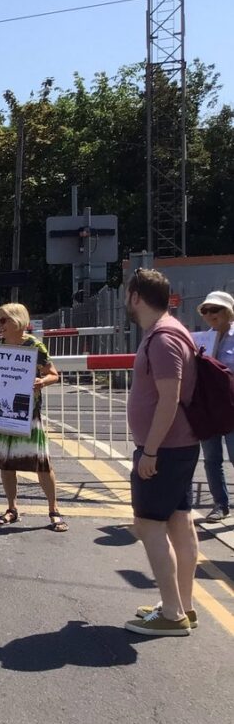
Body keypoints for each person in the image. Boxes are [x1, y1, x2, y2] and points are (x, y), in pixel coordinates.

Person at [123, 269, 199, 636]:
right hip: (177, 446)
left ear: (136, 296)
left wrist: (149, 451)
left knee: (148, 526)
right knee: (179, 523)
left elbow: (169, 398)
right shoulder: (172, 330)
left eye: (127, 294)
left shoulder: (162, 339)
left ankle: (171, 614)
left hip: (164, 449)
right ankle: (183, 605)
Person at [0, 303, 68, 532]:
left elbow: (53, 374)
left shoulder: (34, 346)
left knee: (42, 463)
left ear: (17, 321)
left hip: (28, 413)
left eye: (3, 320)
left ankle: (54, 509)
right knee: (6, 463)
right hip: (3, 412)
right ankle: (12, 508)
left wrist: (42, 381)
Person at [194, 290, 234, 523]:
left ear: (228, 311)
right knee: (211, 458)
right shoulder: (202, 339)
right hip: (208, 406)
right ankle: (220, 504)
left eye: (215, 309)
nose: (210, 314)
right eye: (206, 310)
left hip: (230, 405)